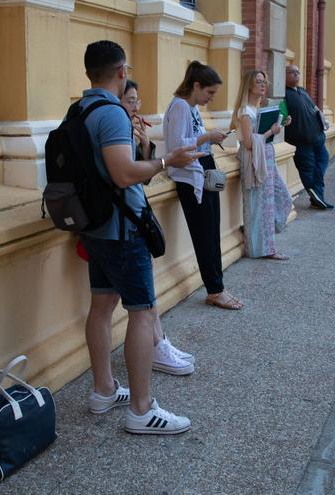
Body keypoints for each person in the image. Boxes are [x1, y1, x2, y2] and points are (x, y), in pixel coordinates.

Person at [77, 40, 202, 434]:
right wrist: (167, 160)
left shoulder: (79, 108)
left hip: (95, 226)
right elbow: (122, 173)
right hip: (122, 227)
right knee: (143, 312)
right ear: (121, 71)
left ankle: (102, 389)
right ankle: (142, 409)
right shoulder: (112, 113)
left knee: (101, 305)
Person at [120, 79, 196, 375]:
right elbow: (130, 176)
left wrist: (144, 146)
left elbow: (145, 177)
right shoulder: (114, 128)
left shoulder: (128, 130)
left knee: (140, 294)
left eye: (137, 100)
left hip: (130, 217)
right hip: (125, 222)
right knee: (141, 298)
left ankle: (160, 341)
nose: (136, 107)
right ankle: (156, 349)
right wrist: (163, 159)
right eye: (130, 100)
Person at [163, 62, 245, 310]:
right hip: (190, 179)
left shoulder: (191, 107)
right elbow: (180, 146)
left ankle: (217, 287)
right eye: (209, 93)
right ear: (196, 85)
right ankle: (215, 289)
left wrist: (211, 139)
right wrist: (208, 137)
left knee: (211, 234)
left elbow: (193, 140)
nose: (211, 98)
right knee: (204, 236)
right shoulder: (179, 106)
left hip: (201, 173)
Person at [232, 70, 293, 259]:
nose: (263, 84)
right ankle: (262, 249)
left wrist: (281, 126)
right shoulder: (245, 112)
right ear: (249, 85)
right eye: (258, 81)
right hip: (253, 159)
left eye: (264, 81)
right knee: (258, 205)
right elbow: (249, 143)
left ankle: (260, 240)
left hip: (265, 156)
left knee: (280, 199)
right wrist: (270, 131)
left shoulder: (257, 109)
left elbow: (262, 135)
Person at [284, 64, 332, 209]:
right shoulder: (282, 94)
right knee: (308, 170)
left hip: (317, 137)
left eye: (298, 72)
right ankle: (318, 198)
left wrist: (321, 116)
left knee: (323, 159)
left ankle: (316, 195)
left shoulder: (302, 91)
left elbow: (314, 108)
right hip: (301, 141)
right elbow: (281, 118)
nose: (297, 74)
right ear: (283, 75)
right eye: (293, 72)